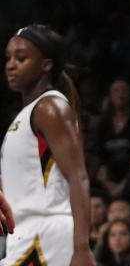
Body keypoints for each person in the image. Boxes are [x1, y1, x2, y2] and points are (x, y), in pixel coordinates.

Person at [0, 24, 95, 266]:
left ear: (46, 64)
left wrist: (82, 248)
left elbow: (78, 176)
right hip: (25, 235)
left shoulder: (50, 107)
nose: (11, 64)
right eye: (8, 57)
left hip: (46, 238)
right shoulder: (27, 114)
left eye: (21, 58)